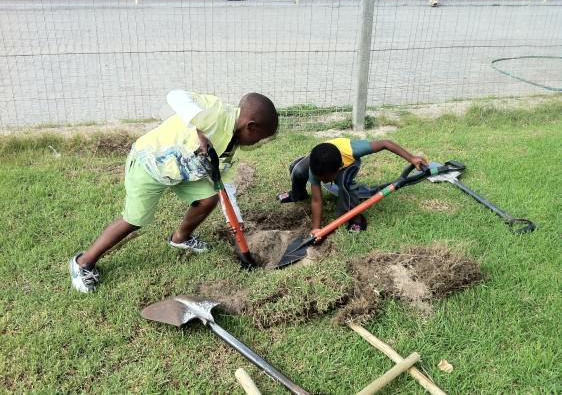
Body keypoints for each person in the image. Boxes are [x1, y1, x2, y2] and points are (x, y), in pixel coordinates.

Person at [69, 90, 278, 293]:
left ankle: (180, 238)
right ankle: (83, 263)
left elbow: (224, 185)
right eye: (260, 138)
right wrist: (197, 129)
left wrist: (236, 221)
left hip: (181, 173)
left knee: (209, 198)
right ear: (251, 126)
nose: (258, 144)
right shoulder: (214, 112)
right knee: (134, 220)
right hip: (149, 165)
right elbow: (175, 96)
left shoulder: (233, 144)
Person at [277, 138, 427, 234]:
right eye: (320, 179)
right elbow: (317, 200)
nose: (322, 183)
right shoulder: (315, 168)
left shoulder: (354, 150)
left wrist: (412, 158)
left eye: (326, 180)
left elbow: (385, 143)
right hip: (322, 159)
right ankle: (298, 194)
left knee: (346, 186)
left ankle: (355, 219)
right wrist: (316, 228)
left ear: (338, 168)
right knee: (296, 170)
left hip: (349, 163)